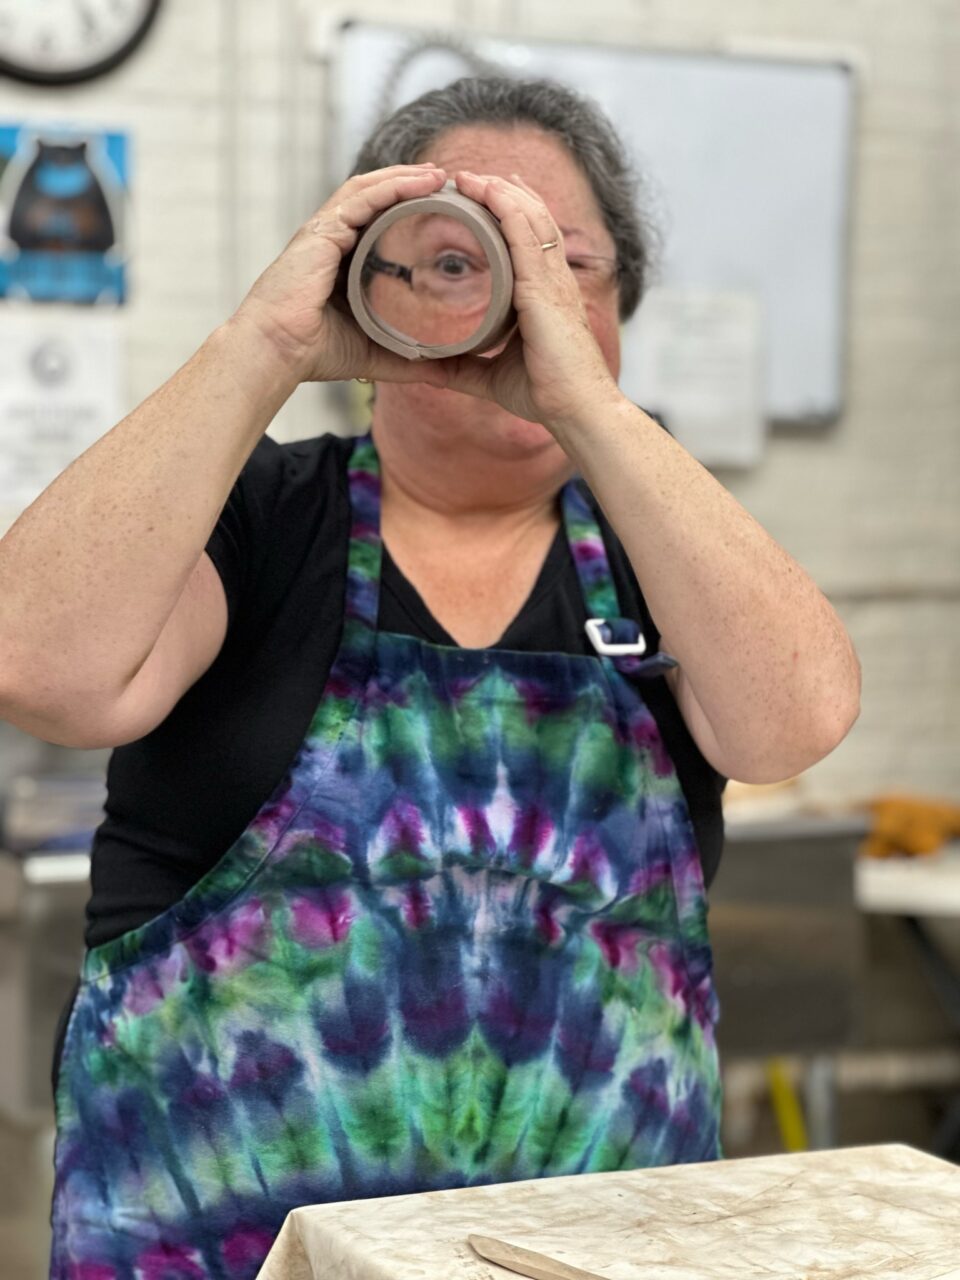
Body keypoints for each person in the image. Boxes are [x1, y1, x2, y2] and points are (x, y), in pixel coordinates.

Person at [0, 77, 860, 1279]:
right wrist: (266, 344)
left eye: (566, 267)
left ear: (617, 307)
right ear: (368, 285)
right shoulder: (260, 519)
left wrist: (586, 402)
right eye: (459, 260)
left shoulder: (656, 556)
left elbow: (795, 722)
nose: (517, 300)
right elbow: (38, 663)